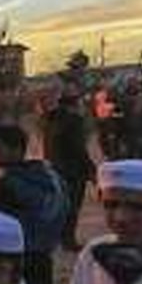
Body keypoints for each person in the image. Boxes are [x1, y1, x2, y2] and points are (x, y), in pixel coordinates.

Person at [0, 124, 68, 284]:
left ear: (17, 150)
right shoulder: (51, 176)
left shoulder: (5, 185)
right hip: (43, 257)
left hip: (15, 260)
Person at [43, 89, 96, 251]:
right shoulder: (74, 121)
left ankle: (59, 237)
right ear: (74, 104)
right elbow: (78, 148)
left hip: (55, 167)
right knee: (72, 206)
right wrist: (91, 169)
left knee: (61, 205)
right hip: (73, 170)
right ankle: (68, 240)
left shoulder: (51, 119)